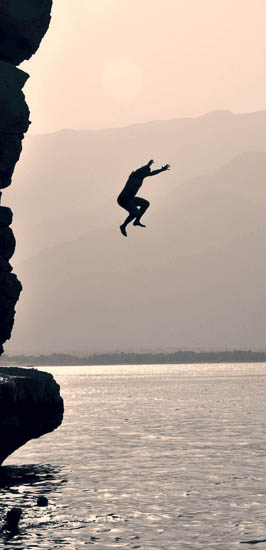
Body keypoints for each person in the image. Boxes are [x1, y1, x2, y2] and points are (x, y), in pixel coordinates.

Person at [117, 159, 170, 236]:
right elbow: (141, 170)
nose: (148, 174)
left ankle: (136, 221)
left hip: (131, 199)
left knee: (146, 204)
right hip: (123, 199)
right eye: (147, 172)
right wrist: (148, 165)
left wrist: (162, 170)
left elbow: (152, 173)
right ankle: (123, 226)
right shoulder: (134, 175)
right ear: (143, 171)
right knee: (135, 212)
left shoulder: (142, 176)